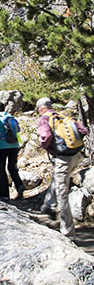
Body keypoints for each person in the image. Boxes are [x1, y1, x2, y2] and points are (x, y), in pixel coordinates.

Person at [36, 97, 88, 240]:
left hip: (62, 158)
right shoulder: (63, 116)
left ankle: (68, 232)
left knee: (62, 193)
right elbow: (83, 131)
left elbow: (45, 137)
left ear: (41, 108)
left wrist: (48, 147)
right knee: (57, 179)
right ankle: (48, 205)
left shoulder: (44, 119)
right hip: (76, 156)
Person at [0, 100, 24, 201]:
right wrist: (18, 144)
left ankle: (4, 195)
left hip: (2, 146)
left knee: (1, 170)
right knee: (12, 168)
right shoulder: (11, 117)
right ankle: (19, 185)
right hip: (14, 146)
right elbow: (18, 131)